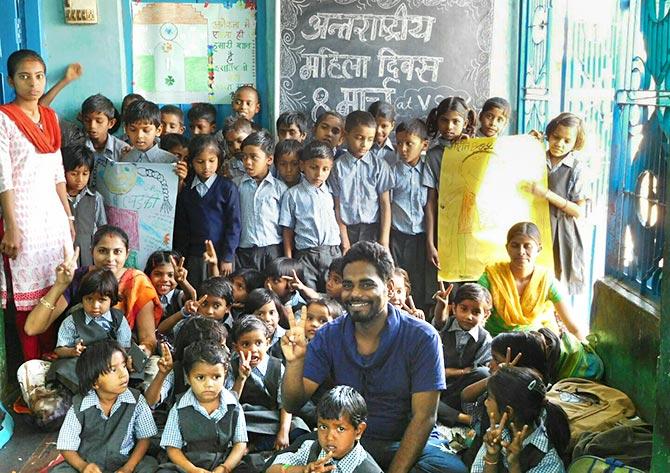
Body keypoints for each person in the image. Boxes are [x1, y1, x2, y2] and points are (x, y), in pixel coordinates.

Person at [281, 241, 467, 473]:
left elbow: (424, 418)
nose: (355, 293)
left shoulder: (422, 337)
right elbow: (292, 403)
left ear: (389, 287)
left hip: (402, 441)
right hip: (345, 441)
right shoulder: (328, 334)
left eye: (366, 284)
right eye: (348, 285)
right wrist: (295, 362)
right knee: (278, 465)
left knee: (450, 470)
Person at [0, 49, 75, 360]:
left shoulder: (50, 117)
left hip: (53, 220)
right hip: (24, 218)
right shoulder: (4, 118)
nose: (33, 83)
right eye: (24, 76)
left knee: (57, 289)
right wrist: (12, 227)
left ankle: (54, 365)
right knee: (28, 298)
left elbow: (58, 174)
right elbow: (4, 177)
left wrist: (68, 219)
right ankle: (32, 376)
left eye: (39, 76)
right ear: (11, 80)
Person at [24, 225, 161, 355]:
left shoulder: (138, 282)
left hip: (121, 361)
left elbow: (148, 340)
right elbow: (32, 328)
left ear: (127, 254)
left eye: (117, 252)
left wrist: (139, 355)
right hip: (80, 360)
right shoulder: (79, 278)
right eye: (102, 251)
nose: (110, 259)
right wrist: (60, 285)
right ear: (91, 251)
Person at [51, 340, 158, 473]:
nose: (123, 374)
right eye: (113, 369)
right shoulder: (79, 407)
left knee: (149, 465)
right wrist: (83, 467)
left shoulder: (137, 401)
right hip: (89, 462)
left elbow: (145, 438)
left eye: (124, 366)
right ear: (95, 382)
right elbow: (66, 446)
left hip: (124, 460)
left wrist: (128, 468)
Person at [478, 222, 586, 340]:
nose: (521, 252)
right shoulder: (491, 278)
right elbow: (474, 320)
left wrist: (586, 351)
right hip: (494, 345)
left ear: (538, 249)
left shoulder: (546, 281)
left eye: (527, 246)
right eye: (515, 245)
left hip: (532, 345)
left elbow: (573, 327)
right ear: (507, 248)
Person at [157, 341, 248, 473]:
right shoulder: (179, 408)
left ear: (225, 375)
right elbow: (172, 448)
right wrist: (192, 469)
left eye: (216, 377)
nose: (209, 384)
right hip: (189, 462)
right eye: (200, 377)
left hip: (224, 461)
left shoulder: (234, 405)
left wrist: (225, 467)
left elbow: (240, 444)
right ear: (188, 377)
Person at [527, 112, 588, 295]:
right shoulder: (536, 157)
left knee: (556, 282)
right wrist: (527, 144)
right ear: (548, 135)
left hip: (562, 230)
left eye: (566, 141)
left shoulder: (577, 168)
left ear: (575, 143)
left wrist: (547, 195)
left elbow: (578, 211)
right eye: (556, 137)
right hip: (534, 226)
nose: (559, 144)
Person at [230, 315, 308, 451]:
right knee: (235, 424)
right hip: (247, 417)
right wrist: (241, 378)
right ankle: (252, 447)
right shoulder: (232, 367)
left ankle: (254, 447)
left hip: (271, 417)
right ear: (236, 347)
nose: (253, 349)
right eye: (245, 344)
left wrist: (283, 432)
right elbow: (230, 404)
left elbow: (285, 403)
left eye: (258, 343)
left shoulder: (277, 366)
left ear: (268, 343)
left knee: (297, 426)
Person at [471, 366, 570, 473]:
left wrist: (514, 466)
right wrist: (491, 457)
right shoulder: (498, 433)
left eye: (489, 398)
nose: (486, 402)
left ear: (508, 412)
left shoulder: (548, 462)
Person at [47, 269, 132, 392]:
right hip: (83, 365)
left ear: (112, 300)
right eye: (89, 299)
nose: (95, 305)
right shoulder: (72, 321)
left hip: (110, 365)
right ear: (82, 299)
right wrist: (72, 351)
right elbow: (59, 350)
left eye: (102, 300)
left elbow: (125, 348)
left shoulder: (118, 319)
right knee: (62, 367)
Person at [174, 134, 241, 284]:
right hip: (195, 257)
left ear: (219, 160)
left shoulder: (227, 188)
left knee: (221, 293)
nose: (206, 167)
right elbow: (182, 229)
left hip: (221, 257)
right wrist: (183, 258)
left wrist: (228, 257)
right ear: (191, 162)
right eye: (200, 162)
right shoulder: (187, 191)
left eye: (212, 161)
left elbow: (234, 225)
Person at [269, 386, 383, 473]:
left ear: (358, 431)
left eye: (340, 429)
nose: (329, 436)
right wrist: (302, 470)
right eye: (323, 427)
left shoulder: (369, 470)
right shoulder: (312, 449)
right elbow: (272, 469)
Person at [422, 96, 476, 272]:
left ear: (465, 122)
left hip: (471, 227)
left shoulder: (477, 149)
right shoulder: (433, 155)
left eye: (455, 121)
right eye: (444, 121)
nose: (449, 126)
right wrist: (430, 242)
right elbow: (430, 201)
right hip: (443, 227)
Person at [280, 141, 341, 292]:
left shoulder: (331, 192)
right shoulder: (292, 195)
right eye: (314, 167)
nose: (319, 174)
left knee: (332, 293)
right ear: (302, 166)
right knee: (307, 294)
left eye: (325, 169)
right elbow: (288, 230)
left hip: (332, 252)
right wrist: (289, 260)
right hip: (306, 255)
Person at [328, 111, 394, 251]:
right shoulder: (336, 168)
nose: (365, 144)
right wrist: (345, 241)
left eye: (370, 139)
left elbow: (385, 204)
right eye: (359, 137)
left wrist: (384, 241)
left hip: (373, 230)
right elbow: (337, 207)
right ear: (345, 135)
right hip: (346, 231)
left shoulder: (380, 166)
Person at [433, 283, 492, 426]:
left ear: (486, 315)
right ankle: (462, 418)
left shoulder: (485, 339)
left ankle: (442, 411)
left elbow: (476, 372)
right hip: (435, 383)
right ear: (454, 308)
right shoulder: (445, 326)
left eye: (476, 312)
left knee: (484, 373)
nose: (468, 316)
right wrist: (452, 372)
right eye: (463, 309)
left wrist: (455, 374)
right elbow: (439, 322)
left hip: (460, 391)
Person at [390, 119, 430, 309]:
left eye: (409, 144)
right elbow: (387, 205)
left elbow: (431, 204)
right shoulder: (393, 172)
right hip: (397, 235)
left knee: (419, 281)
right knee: (396, 280)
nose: (403, 148)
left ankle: (417, 315)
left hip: (421, 237)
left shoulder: (429, 171)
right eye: (399, 143)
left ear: (424, 145)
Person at [234, 130, 287, 272]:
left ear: (269, 159)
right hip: (244, 251)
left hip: (272, 250)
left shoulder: (280, 188)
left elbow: (286, 224)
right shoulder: (235, 186)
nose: (247, 162)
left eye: (253, 157)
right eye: (244, 157)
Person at [62, 144, 107, 267]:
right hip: (61, 254)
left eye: (85, 174)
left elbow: (102, 229)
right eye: (74, 174)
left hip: (88, 256)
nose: (80, 179)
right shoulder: (56, 198)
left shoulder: (95, 198)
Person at [145, 251, 196, 336]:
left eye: (170, 275)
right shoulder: (145, 297)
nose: (165, 279)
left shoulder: (179, 296)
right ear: (149, 274)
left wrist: (183, 282)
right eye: (158, 274)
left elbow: (191, 297)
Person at [80, 94, 128, 179]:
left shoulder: (122, 150)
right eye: (87, 120)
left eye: (99, 121)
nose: (92, 126)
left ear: (111, 123)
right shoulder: (78, 147)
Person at [244, 288, 287, 354]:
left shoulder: (288, 338)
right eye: (260, 314)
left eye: (272, 313)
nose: (267, 319)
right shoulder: (243, 339)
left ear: (278, 316)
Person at [218, 115, 256, 180]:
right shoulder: (227, 168)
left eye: (240, 141)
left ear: (251, 136)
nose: (236, 147)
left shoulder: (264, 161)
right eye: (230, 144)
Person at [368, 100, 397, 166]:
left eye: (384, 126)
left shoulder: (399, 151)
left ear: (392, 125)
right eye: (374, 125)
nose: (378, 130)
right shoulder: (361, 148)